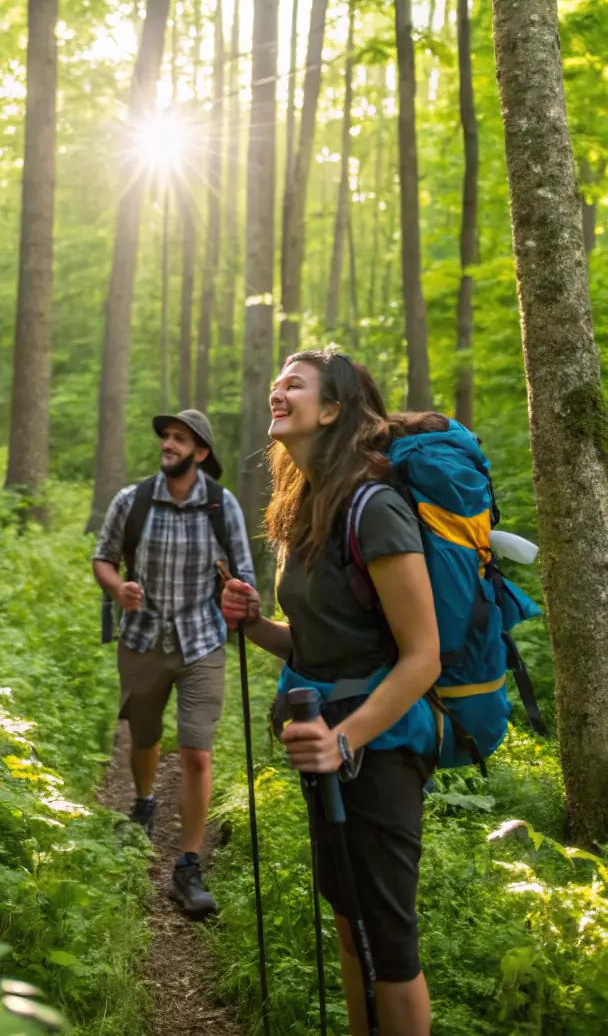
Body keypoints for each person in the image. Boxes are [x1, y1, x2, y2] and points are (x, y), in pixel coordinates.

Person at [222, 349, 441, 1036]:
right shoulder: (310, 504)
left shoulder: (374, 506)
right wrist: (256, 624)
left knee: (390, 943)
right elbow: (318, 648)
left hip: (377, 748)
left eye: (295, 384)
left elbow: (423, 655)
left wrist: (346, 738)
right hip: (323, 746)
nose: (276, 391)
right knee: (351, 927)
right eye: (276, 381)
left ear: (333, 408)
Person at [93, 409, 256, 919]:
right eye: (165, 436)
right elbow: (104, 557)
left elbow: (245, 572)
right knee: (143, 737)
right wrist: (118, 587)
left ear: (200, 452)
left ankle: (187, 865)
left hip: (202, 642)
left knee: (197, 754)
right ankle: (143, 801)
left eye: (178, 438)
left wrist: (238, 595)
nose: (167, 444)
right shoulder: (133, 501)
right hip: (142, 639)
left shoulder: (220, 505)